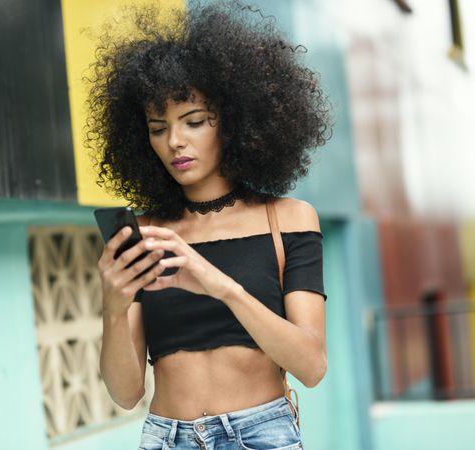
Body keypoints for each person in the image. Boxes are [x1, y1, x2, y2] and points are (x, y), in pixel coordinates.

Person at [85, 1, 330, 448]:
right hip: (166, 437)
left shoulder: (289, 219)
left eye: (194, 122)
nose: (175, 141)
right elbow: (125, 393)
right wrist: (113, 304)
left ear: (234, 124)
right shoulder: (147, 234)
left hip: (262, 434)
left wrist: (219, 285)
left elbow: (311, 366)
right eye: (158, 128)